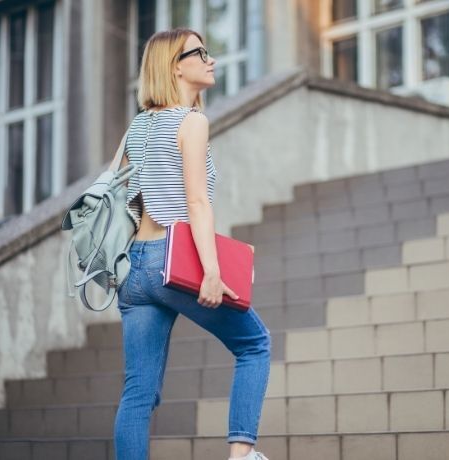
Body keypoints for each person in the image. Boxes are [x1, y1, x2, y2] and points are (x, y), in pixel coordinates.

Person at [111, 28, 272, 460]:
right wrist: (213, 272)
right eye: (200, 52)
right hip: (172, 258)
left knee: (138, 393)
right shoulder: (191, 121)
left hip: (133, 267)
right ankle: (241, 454)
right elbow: (196, 203)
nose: (211, 59)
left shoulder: (138, 126)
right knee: (255, 344)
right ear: (175, 65)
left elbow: (128, 198)